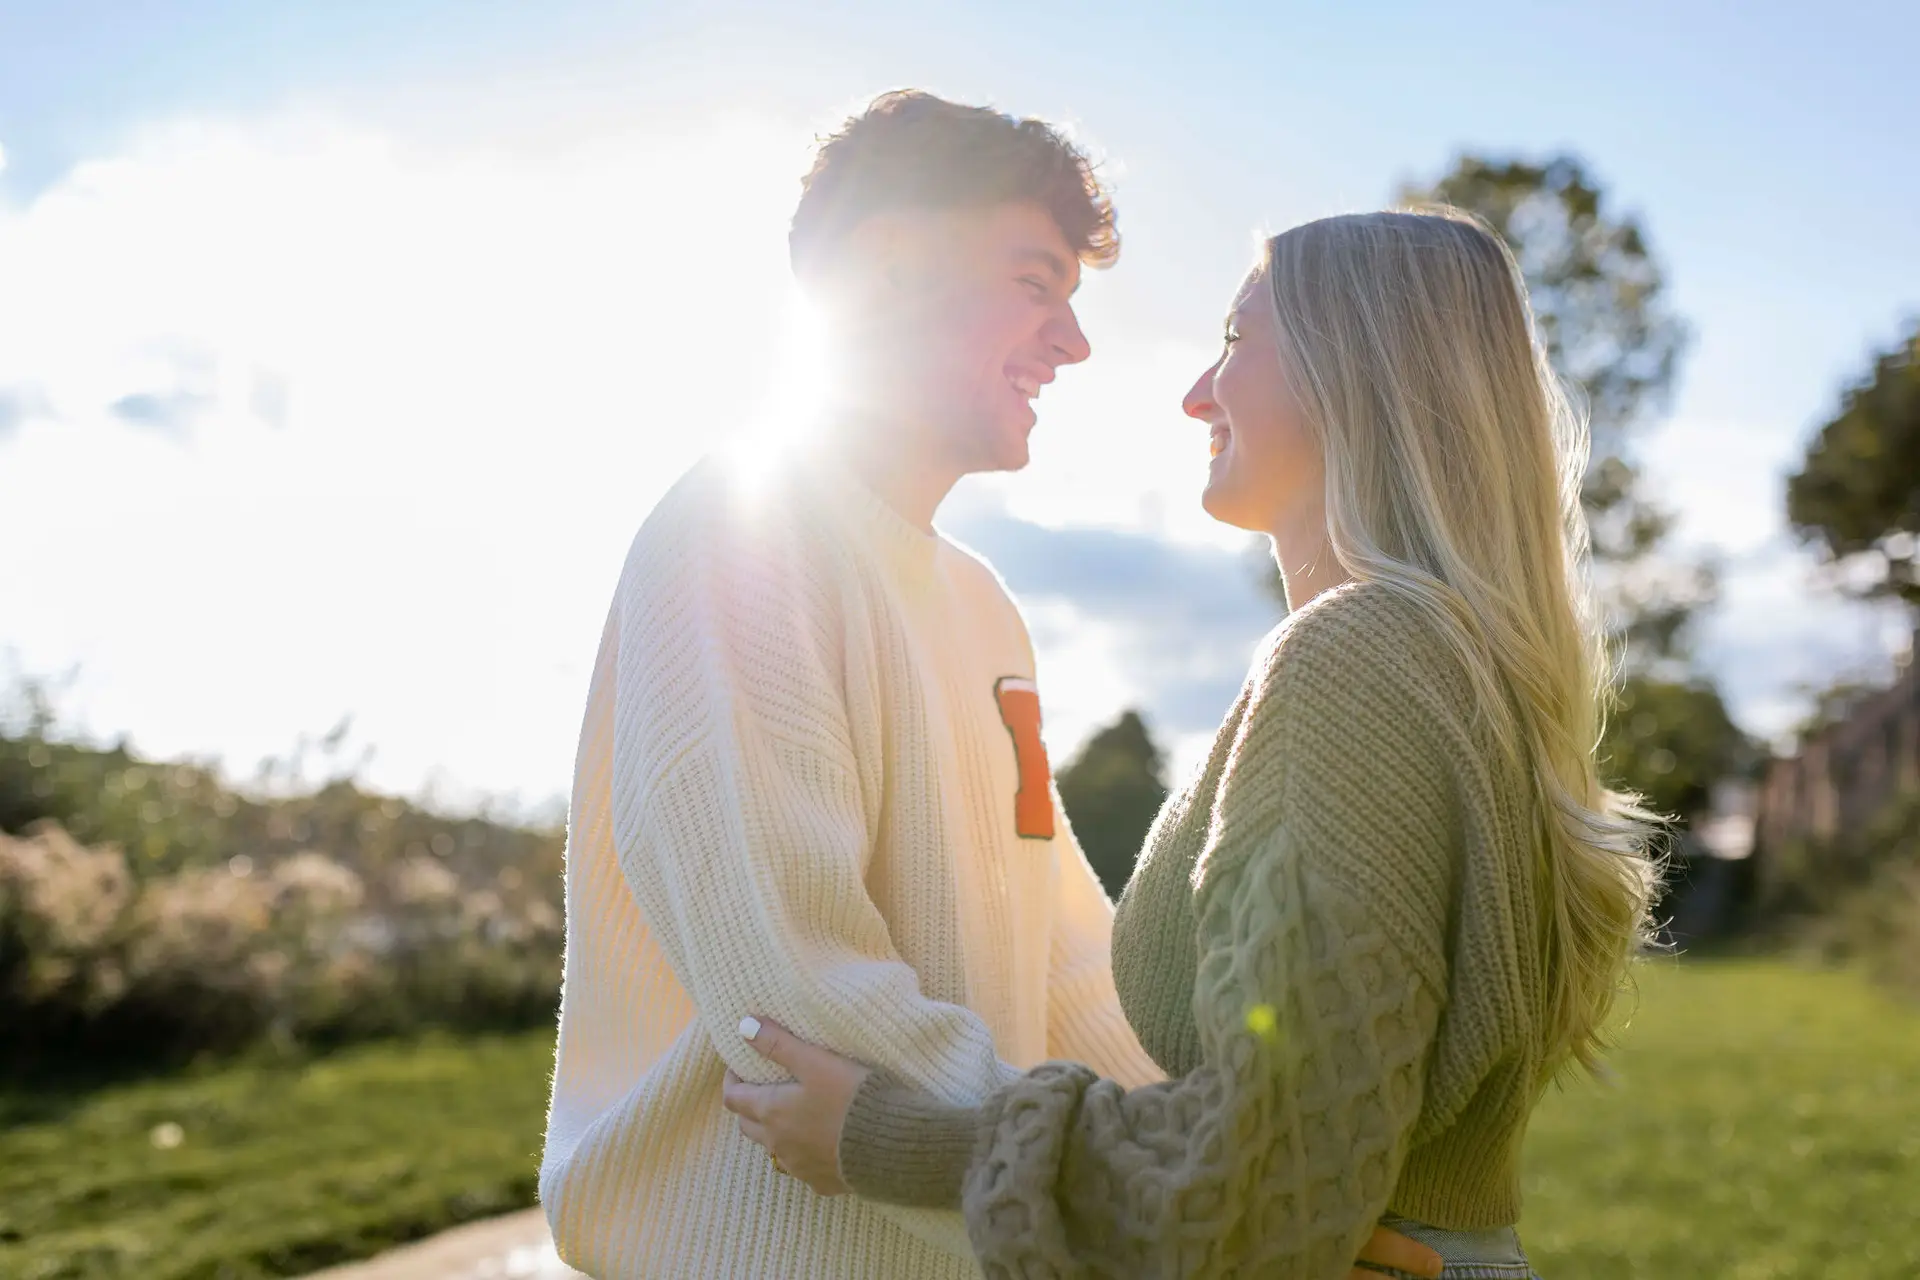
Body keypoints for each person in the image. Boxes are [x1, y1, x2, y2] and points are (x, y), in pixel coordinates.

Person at [539, 93, 1441, 1280]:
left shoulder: (980, 606)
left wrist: (1229, 1188)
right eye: (1033, 282)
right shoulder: (737, 537)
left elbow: (1068, 965)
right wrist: (1149, 1222)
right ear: (886, 268)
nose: (1072, 341)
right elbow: (796, 994)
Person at [722, 208, 1663, 1280]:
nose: (1197, 393)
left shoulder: (1359, 657)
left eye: (1235, 338)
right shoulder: (1461, 665)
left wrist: (898, 1139)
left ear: (1351, 370)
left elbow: (1272, 1170)